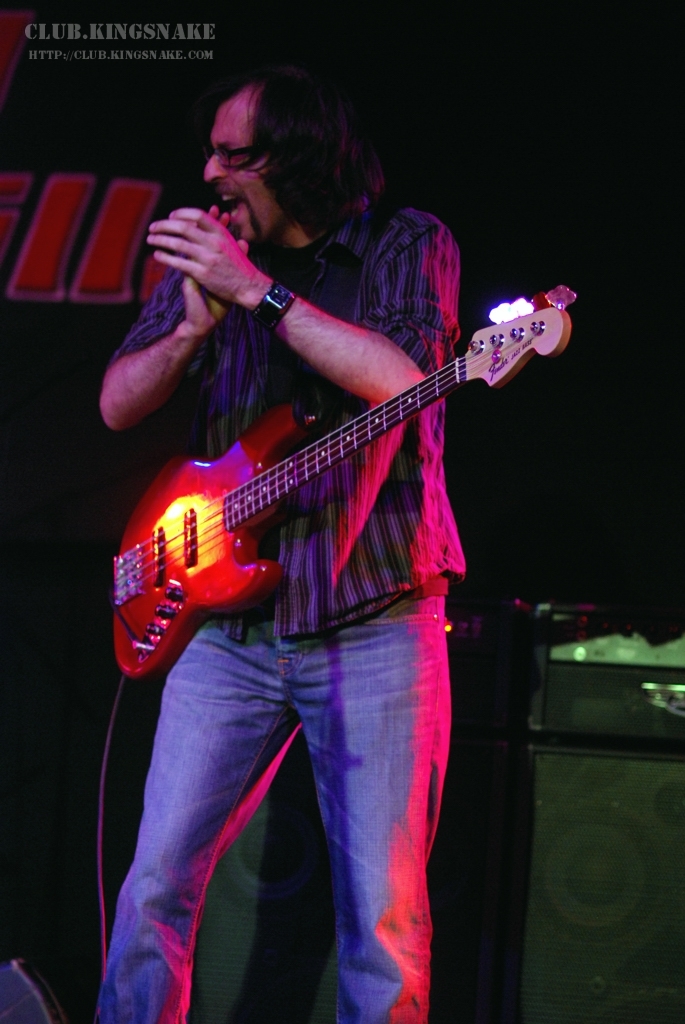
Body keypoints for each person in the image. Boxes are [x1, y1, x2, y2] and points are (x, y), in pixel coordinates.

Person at [98, 64, 465, 1024]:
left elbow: (402, 381)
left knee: (380, 918)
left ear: (299, 159)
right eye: (208, 152)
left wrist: (256, 295)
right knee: (154, 887)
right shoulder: (211, 256)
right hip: (226, 629)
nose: (209, 174)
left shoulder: (404, 242)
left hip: (373, 616)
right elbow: (117, 402)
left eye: (235, 155)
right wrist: (189, 329)